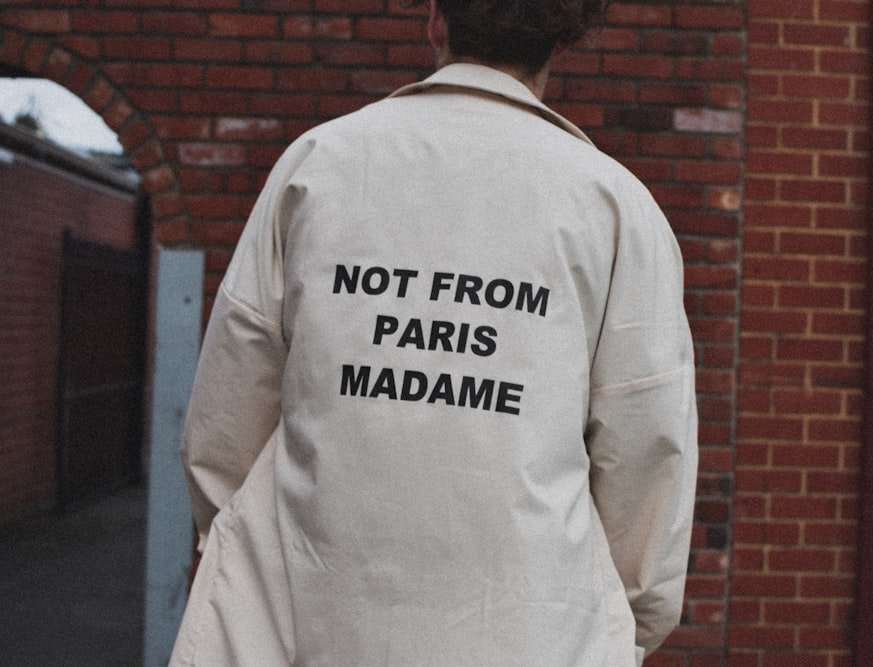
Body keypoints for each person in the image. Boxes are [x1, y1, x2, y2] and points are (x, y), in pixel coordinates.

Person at [169, 0, 698, 664]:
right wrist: (609, 624)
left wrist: (250, 571)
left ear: (436, 21)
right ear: (562, 41)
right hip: (535, 637)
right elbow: (647, 452)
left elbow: (227, 417)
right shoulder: (614, 204)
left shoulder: (318, 165)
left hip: (310, 626)